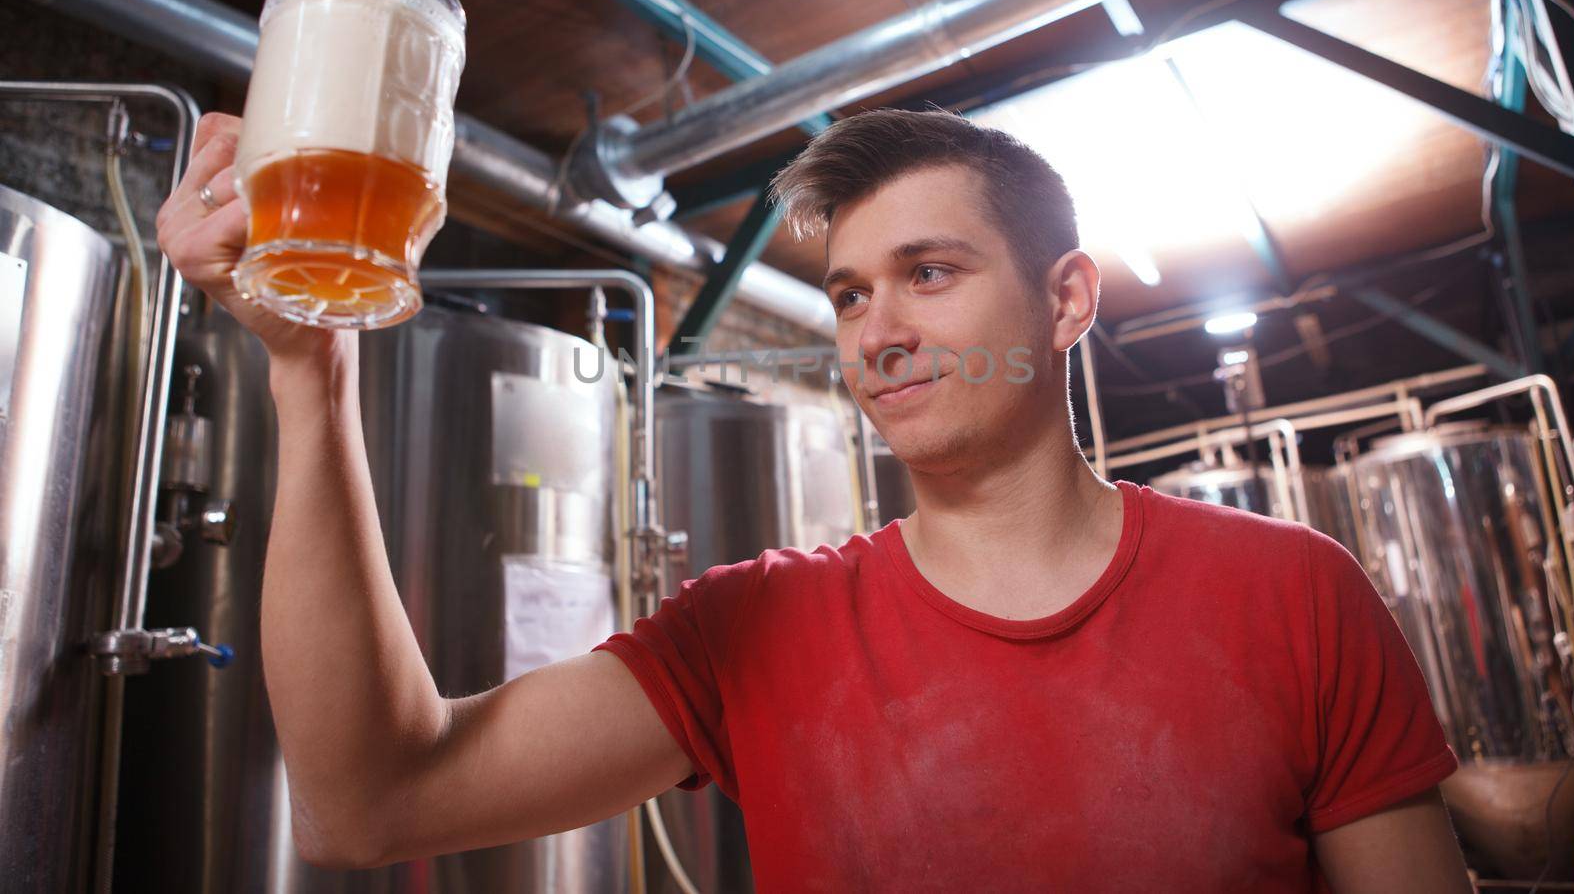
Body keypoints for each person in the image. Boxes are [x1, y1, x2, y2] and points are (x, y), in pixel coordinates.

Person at [156, 107, 1471, 892]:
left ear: (1066, 297)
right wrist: (311, 369)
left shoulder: (1293, 594)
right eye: (849, 295)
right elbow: (369, 801)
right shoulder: (755, 631)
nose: (879, 331)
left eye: (932, 273)